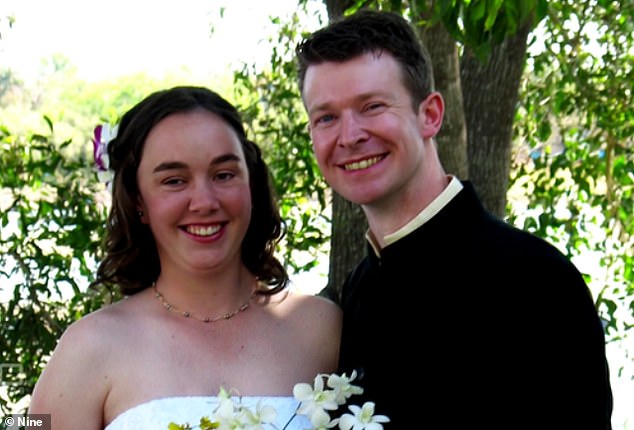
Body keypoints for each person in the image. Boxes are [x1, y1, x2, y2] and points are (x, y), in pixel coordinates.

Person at [295, 10, 613, 429]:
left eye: (371, 106)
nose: (349, 135)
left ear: (430, 115)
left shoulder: (535, 280)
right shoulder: (358, 289)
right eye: (326, 118)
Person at [28, 86, 342, 430]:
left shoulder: (322, 328)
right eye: (174, 181)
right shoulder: (87, 348)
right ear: (137, 201)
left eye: (224, 175)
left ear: (250, 184)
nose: (205, 201)